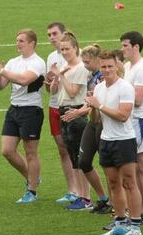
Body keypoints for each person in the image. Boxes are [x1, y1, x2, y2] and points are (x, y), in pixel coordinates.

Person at [87, 50, 142, 235]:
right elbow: (95, 120)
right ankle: (120, 221)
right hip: (107, 139)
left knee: (129, 182)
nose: (107, 69)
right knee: (113, 183)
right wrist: (93, 107)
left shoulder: (125, 87)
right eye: (103, 66)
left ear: (116, 66)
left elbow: (123, 115)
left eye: (110, 66)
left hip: (124, 140)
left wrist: (99, 106)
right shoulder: (100, 88)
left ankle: (135, 224)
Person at [0, 29, 46, 204]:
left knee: (30, 153)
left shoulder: (37, 62)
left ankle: (32, 191)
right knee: (7, 151)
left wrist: (2, 70)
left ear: (32, 43)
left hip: (31, 110)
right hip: (14, 109)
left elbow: (23, 80)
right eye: (17, 40)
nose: (17, 43)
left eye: (21, 40)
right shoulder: (13, 62)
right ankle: (32, 178)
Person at [61, 44, 111, 214]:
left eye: (87, 62)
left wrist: (78, 112)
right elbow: (91, 101)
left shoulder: (102, 78)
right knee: (83, 161)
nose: (85, 65)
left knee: (108, 165)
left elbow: (97, 102)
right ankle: (103, 199)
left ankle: (114, 204)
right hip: (93, 121)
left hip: (104, 124)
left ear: (98, 60)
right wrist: (80, 110)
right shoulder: (93, 75)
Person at [49, 32, 92, 210]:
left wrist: (62, 76)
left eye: (67, 49)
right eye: (62, 49)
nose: (65, 52)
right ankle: (80, 195)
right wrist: (55, 79)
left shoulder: (81, 68)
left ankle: (86, 197)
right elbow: (53, 92)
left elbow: (74, 91)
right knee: (73, 157)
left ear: (76, 48)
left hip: (76, 112)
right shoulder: (65, 66)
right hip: (63, 111)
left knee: (80, 156)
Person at [120, 31, 143, 223]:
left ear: (136, 47)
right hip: (129, 122)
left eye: (125, 45)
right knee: (132, 166)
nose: (122, 49)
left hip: (140, 121)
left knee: (142, 165)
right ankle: (138, 208)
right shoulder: (127, 66)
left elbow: (139, 99)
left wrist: (118, 98)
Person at [45, 22, 80, 206]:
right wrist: (50, 81)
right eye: (49, 34)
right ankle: (71, 189)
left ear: (64, 33)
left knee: (74, 149)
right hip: (54, 105)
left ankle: (82, 192)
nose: (51, 37)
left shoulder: (74, 55)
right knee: (62, 148)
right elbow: (48, 88)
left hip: (70, 106)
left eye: (54, 33)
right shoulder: (51, 56)